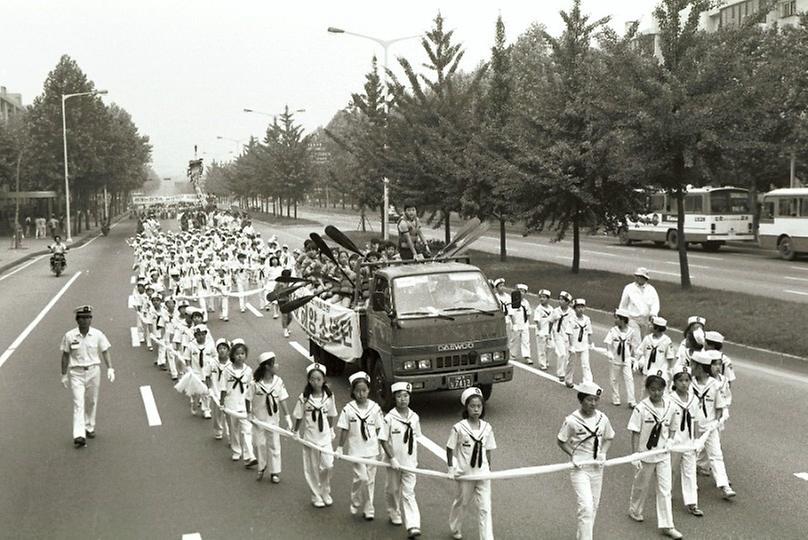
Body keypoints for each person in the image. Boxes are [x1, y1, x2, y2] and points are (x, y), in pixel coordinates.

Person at [556, 382, 614, 540]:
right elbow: (561, 440)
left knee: (593, 506)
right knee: (586, 507)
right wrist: (573, 455)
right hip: (580, 469)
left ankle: (582, 536)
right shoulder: (572, 420)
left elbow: (609, 437)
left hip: (597, 468)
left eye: (596, 399)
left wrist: (603, 453)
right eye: (589, 399)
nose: (593, 403)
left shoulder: (602, 418)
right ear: (581, 400)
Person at [627, 375, 682, 539]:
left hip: (663, 454)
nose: (656, 393)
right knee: (641, 486)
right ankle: (635, 509)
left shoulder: (671, 406)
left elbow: (673, 426)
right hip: (645, 454)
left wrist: (671, 440)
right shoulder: (641, 408)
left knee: (665, 490)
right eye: (653, 389)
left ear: (664, 390)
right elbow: (635, 432)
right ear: (647, 390)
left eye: (659, 390)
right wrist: (635, 453)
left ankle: (667, 525)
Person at [60, 305, 114, 448]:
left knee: (91, 401)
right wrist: (64, 374)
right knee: (79, 402)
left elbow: (105, 351)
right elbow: (65, 355)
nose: (85, 320)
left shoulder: (98, 334)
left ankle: (89, 426)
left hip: (93, 371)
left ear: (91, 319)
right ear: (77, 320)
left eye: (88, 317)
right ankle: (79, 435)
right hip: (76, 372)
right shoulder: (70, 336)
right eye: (82, 318)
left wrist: (110, 368)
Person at [446, 386, 496, 540]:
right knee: (462, 503)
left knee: (485, 508)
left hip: (482, 474)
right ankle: (455, 527)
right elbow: (449, 448)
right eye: (472, 406)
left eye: (479, 406)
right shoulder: (459, 428)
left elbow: (488, 450)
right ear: (466, 408)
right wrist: (450, 468)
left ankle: (487, 537)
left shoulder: (487, 428)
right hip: (465, 474)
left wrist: (489, 468)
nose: (476, 409)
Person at [336, 371, 385, 520]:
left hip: (371, 449)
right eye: (358, 391)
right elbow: (345, 429)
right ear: (353, 392)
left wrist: (382, 447)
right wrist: (339, 447)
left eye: (364, 390)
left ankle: (369, 508)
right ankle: (355, 500)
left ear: (369, 390)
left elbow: (379, 429)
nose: (361, 394)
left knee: (370, 480)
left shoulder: (375, 408)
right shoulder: (348, 409)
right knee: (361, 478)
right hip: (356, 450)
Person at [690, 350, 735, 500]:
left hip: (709, 427)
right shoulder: (689, 384)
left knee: (716, 455)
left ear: (701, 368)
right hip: (691, 427)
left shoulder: (715, 385)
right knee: (690, 456)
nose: (691, 368)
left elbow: (720, 408)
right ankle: (691, 486)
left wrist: (716, 423)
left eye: (693, 365)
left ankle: (724, 486)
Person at [379, 381, 422, 538]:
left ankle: (413, 525)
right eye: (399, 396)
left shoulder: (414, 417)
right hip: (393, 462)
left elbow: (416, 438)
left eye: (405, 396)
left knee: (409, 493)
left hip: (410, 463)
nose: (403, 399)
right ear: (394, 398)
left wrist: (416, 460)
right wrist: (392, 458)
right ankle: (393, 512)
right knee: (392, 489)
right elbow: (383, 440)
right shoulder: (389, 418)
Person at [292, 362, 338, 508]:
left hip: (324, 437)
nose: (316, 382)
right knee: (312, 468)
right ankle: (315, 495)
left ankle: (325, 490)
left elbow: (331, 414)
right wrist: (295, 431)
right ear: (309, 380)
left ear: (323, 380)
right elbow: (299, 416)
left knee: (328, 465)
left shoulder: (329, 397)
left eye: (319, 379)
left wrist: (331, 429)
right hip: (311, 438)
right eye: (312, 379)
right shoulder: (304, 398)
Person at [247, 352, 292, 483]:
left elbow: (283, 399)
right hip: (258, 420)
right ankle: (262, 467)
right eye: (274, 363)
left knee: (274, 445)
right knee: (259, 444)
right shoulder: (255, 383)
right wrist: (248, 413)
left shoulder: (278, 382)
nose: (277, 365)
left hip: (273, 420)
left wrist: (288, 417)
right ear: (267, 366)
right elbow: (248, 398)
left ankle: (275, 472)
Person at [668, 365, 704, 517]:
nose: (684, 383)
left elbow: (695, 420)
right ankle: (666, 495)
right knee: (671, 470)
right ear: (674, 382)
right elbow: (666, 422)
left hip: (688, 442)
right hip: (675, 442)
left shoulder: (694, 399)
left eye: (687, 380)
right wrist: (668, 440)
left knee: (690, 473)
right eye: (680, 380)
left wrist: (696, 440)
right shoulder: (669, 399)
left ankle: (691, 502)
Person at [220, 339, 257, 467]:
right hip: (231, 403)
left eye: (242, 353)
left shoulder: (248, 370)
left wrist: (252, 404)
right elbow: (223, 387)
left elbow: (251, 388)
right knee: (233, 428)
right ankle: (236, 450)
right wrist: (222, 403)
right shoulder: (227, 370)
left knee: (247, 430)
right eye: (237, 354)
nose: (240, 356)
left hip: (244, 404)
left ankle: (249, 455)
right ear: (232, 356)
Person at [603, 308, 640, 408]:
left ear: (623, 320)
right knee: (614, 379)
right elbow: (608, 342)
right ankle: (616, 398)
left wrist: (634, 359)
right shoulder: (613, 331)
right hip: (615, 358)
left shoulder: (631, 332)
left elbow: (633, 346)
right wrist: (609, 352)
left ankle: (632, 401)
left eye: (617, 318)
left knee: (629, 379)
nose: (616, 320)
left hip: (626, 359)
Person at [619, 267, 660, 338]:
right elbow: (623, 304)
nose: (638, 278)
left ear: (645, 278)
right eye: (637, 276)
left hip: (646, 320)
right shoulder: (629, 288)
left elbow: (655, 304)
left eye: (640, 277)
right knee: (636, 340)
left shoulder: (651, 290)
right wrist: (622, 317)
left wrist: (653, 314)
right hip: (632, 319)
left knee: (645, 341)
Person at [638, 317, 676, 386]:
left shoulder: (667, 341)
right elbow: (640, 351)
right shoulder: (647, 338)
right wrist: (640, 360)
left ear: (657, 328)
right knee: (644, 392)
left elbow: (670, 357)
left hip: (659, 373)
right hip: (647, 371)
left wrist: (669, 370)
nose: (650, 326)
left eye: (652, 325)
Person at [565, 299, 593, 388]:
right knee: (571, 363)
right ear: (574, 308)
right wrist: (571, 346)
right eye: (578, 307)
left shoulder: (587, 320)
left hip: (584, 345)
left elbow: (588, 332)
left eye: (582, 307)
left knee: (586, 364)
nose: (580, 309)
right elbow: (569, 333)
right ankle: (568, 379)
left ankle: (588, 382)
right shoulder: (571, 320)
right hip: (574, 345)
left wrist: (590, 343)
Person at [551, 291, 574, 383]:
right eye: (559, 299)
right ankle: (561, 373)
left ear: (568, 302)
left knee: (567, 356)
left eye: (563, 300)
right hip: (558, 334)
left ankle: (565, 372)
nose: (560, 301)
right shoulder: (555, 311)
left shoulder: (571, 313)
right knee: (562, 354)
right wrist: (549, 334)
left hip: (567, 336)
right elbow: (550, 322)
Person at [506, 287, 532, 364]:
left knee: (526, 340)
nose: (521, 293)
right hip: (516, 323)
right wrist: (514, 324)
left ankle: (527, 356)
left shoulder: (526, 303)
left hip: (524, 324)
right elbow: (511, 314)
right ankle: (512, 354)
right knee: (514, 340)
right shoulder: (513, 302)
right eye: (520, 291)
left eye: (523, 291)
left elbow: (528, 313)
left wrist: (526, 322)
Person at [533, 289, 553, 371]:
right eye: (540, 297)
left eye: (544, 297)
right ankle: (542, 363)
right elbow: (537, 320)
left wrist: (550, 332)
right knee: (541, 348)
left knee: (551, 347)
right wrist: (540, 330)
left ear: (548, 299)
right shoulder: (538, 309)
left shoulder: (551, 309)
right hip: (541, 331)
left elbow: (552, 321)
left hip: (548, 331)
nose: (542, 299)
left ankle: (546, 360)